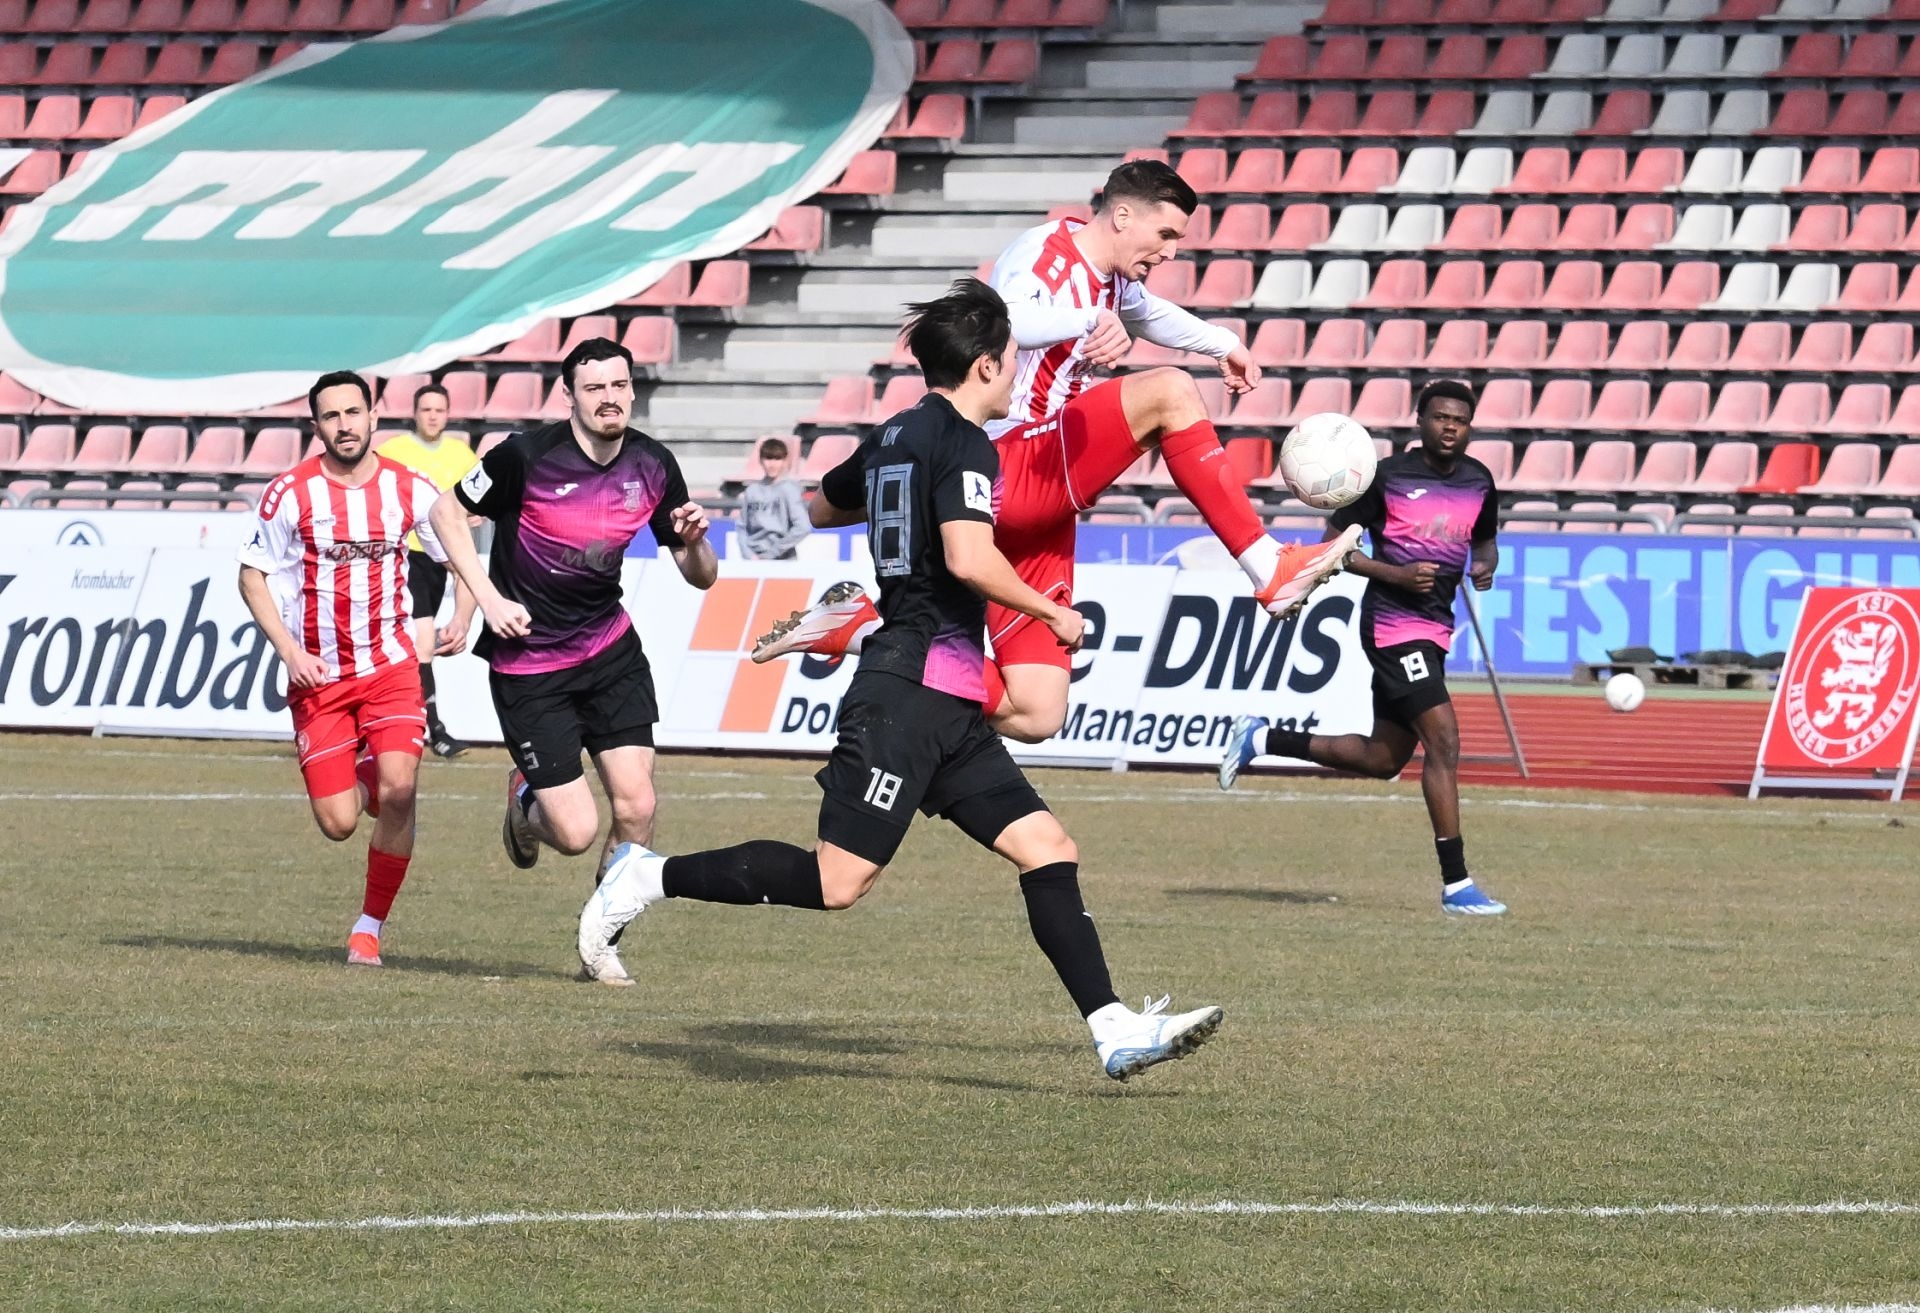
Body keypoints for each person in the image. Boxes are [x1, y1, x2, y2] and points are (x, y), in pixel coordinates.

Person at [579, 279, 1224, 1079]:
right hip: (907, 692)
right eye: (1012, 358)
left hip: (947, 695)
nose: (1017, 371)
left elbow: (824, 507)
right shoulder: (966, 443)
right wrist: (1051, 613)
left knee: (1047, 846)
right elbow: (969, 557)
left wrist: (902, 509)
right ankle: (647, 874)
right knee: (836, 879)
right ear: (985, 365)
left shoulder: (893, 435)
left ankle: (1113, 1026)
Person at [753, 158, 1360, 744]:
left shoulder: (1115, 279)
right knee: (1170, 392)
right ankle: (1267, 566)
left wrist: (1221, 343)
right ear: (1122, 216)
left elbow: (1147, 314)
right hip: (1008, 462)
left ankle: (859, 630)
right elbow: (1006, 319)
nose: (1172, 252)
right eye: (1166, 234)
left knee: (1035, 713)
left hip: (1038, 508)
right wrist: (1088, 320)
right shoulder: (1044, 252)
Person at [429, 336, 718, 986]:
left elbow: (700, 575)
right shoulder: (525, 456)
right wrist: (486, 598)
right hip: (531, 666)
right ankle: (524, 799)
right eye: (594, 388)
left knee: (638, 806)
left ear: (632, 390)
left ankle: (600, 941)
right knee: (576, 831)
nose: (609, 398)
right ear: (570, 396)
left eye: (619, 385)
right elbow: (445, 512)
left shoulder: (653, 463)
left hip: (610, 651)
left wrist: (697, 543)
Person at [1217, 380, 1507, 916]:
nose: (1450, 427)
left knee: (1382, 758)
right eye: (1440, 417)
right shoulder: (1386, 477)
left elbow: (1485, 541)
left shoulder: (1479, 481)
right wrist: (1396, 573)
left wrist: (1485, 565)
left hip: (1436, 628)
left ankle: (1262, 736)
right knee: (1444, 740)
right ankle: (1457, 884)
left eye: (1460, 420)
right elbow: (1332, 550)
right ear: (1420, 422)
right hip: (1392, 626)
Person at [237, 370, 474, 967]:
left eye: (352, 412)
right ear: (316, 426)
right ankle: (370, 772)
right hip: (319, 678)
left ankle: (369, 927)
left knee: (401, 790)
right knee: (339, 822)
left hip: (391, 666)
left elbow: (460, 553)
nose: (344, 425)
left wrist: (465, 613)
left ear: (373, 417)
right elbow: (251, 576)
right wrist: (290, 653)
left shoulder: (410, 488)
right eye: (331, 416)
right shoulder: (289, 493)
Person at [377, 383, 477, 759]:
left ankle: (405, 724)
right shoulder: (393, 452)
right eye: (426, 410)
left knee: (416, 647)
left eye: (439, 410)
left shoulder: (461, 454)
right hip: (407, 555)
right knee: (422, 643)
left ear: (448, 414)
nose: (433, 416)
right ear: (414, 414)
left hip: (443, 559)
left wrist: (476, 513)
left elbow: (478, 499)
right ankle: (434, 729)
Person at [736, 436, 812, 561]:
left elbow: (803, 527)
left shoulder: (789, 489)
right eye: (768, 458)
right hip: (754, 558)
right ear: (761, 460)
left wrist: (772, 553)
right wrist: (749, 555)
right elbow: (741, 526)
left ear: (785, 461)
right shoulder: (752, 491)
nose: (772, 464)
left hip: (782, 559)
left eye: (777, 459)